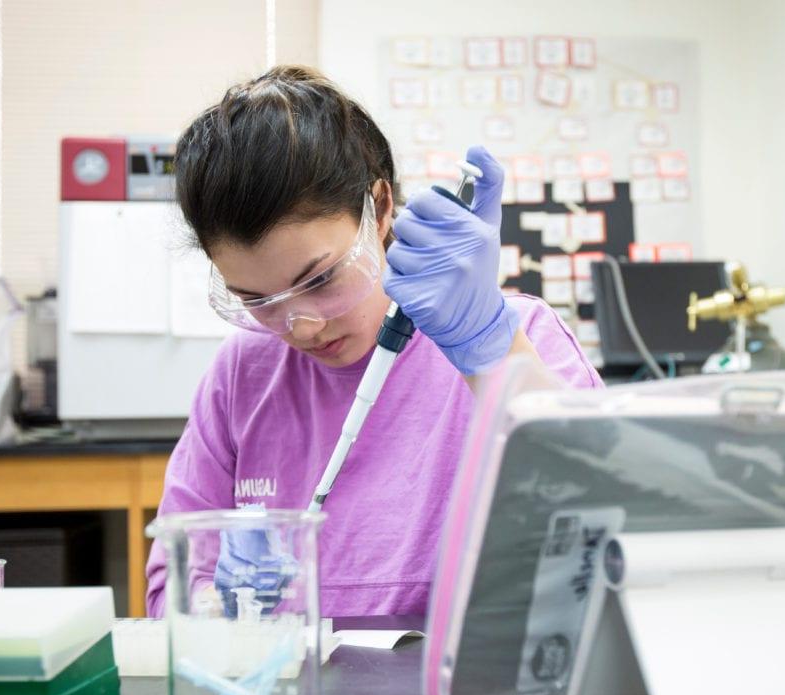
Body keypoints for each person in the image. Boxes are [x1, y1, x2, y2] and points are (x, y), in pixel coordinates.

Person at [145, 65, 601, 618]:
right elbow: (177, 569)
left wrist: (495, 361)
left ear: (380, 208)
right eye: (257, 300)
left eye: (320, 279)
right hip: (289, 692)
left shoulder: (512, 338)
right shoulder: (244, 372)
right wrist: (214, 610)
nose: (301, 326)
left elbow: (603, 536)